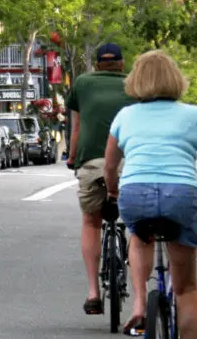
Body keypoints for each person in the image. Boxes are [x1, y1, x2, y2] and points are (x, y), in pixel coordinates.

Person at [104, 50, 197, 337]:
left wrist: (113, 190)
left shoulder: (125, 115)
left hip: (135, 192)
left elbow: (110, 165)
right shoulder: (194, 114)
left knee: (138, 235)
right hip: (180, 195)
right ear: (176, 80)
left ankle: (138, 305)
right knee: (186, 289)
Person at [65, 42, 131, 316]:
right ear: (122, 64)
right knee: (136, 222)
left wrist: (71, 158)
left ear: (96, 65)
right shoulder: (136, 84)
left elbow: (77, 127)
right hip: (129, 163)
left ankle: (93, 291)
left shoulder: (82, 83)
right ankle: (140, 298)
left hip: (92, 162)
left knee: (91, 221)